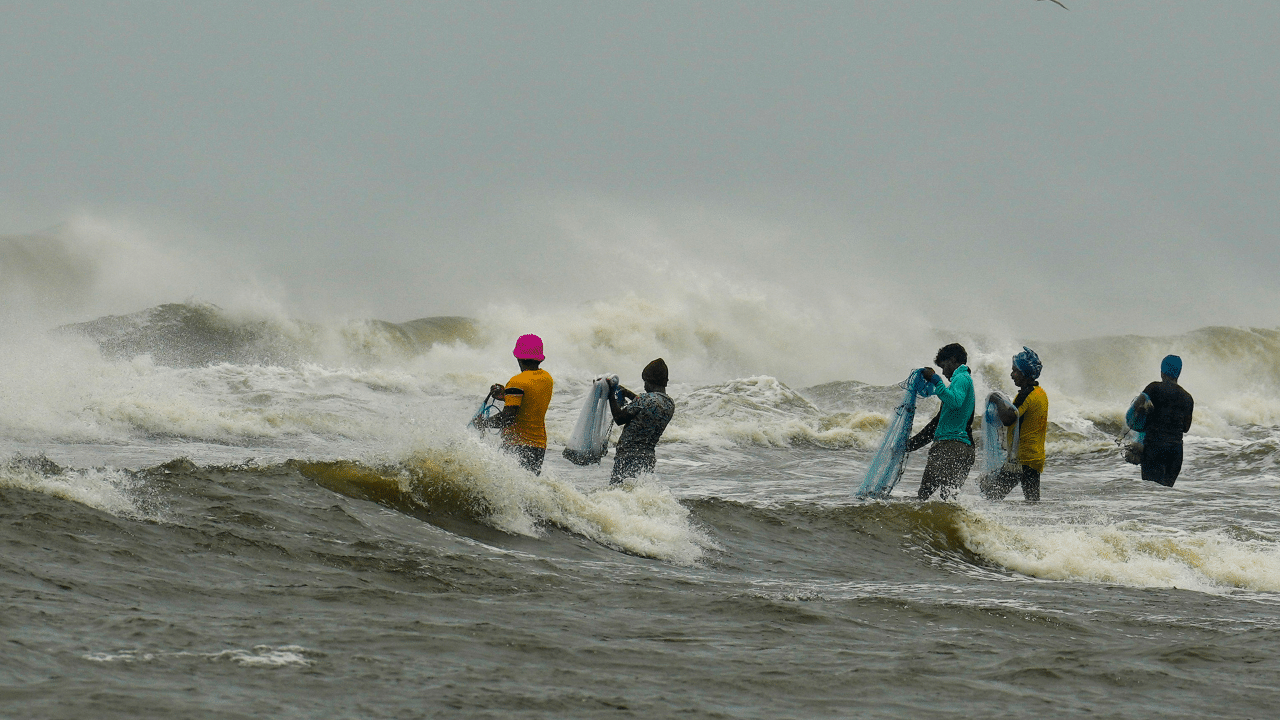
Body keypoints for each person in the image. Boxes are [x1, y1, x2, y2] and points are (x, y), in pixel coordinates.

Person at [474, 334, 555, 475]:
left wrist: (483, 424)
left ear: (519, 357)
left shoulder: (517, 382)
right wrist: (506, 396)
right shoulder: (547, 379)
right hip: (538, 446)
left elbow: (508, 418)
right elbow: (530, 402)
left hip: (517, 445)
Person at [906, 343, 976, 500]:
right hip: (963, 449)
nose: (944, 372)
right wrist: (911, 445)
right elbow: (937, 424)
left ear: (953, 360)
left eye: (944, 367)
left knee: (923, 497)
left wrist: (936, 381)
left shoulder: (961, 378)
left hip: (950, 447)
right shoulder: (964, 380)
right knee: (949, 499)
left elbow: (955, 401)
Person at [980, 347, 1049, 502]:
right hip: (1035, 457)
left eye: (1015, 371)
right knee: (1032, 501)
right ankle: (1033, 526)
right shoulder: (1040, 393)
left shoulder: (1026, 394)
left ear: (1024, 373)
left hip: (1021, 460)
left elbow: (1009, 418)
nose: (1012, 375)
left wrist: (996, 399)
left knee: (991, 496)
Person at [606, 358, 676, 485]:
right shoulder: (669, 404)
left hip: (627, 457)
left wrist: (611, 393)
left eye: (646, 382)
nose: (644, 386)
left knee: (619, 492)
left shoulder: (644, 400)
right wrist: (628, 393)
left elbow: (619, 418)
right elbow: (648, 407)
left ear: (651, 381)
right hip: (648, 459)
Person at [1130, 354, 1194, 487]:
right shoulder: (1188, 397)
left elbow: (1137, 406)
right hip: (1175, 453)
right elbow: (1186, 428)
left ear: (1162, 371)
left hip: (1154, 448)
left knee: (1151, 493)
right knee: (1165, 497)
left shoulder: (1153, 388)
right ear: (1179, 373)